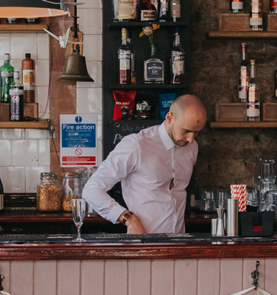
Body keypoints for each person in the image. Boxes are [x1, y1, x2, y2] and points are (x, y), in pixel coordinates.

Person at [81, 94, 207, 235]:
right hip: (143, 244)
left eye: (196, 133)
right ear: (169, 118)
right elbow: (91, 189)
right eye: (186, 131)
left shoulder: (192, 147)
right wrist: (128, 218)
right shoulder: (136, 145)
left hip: (178, 242)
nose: (191, 139)